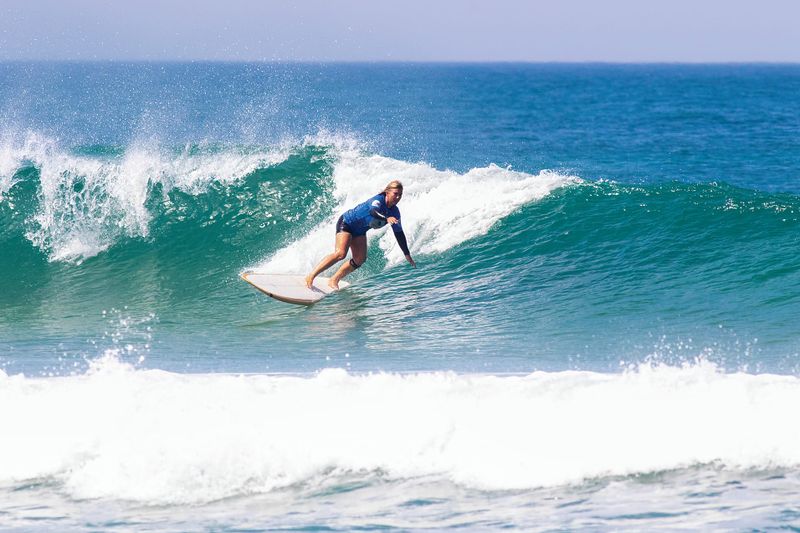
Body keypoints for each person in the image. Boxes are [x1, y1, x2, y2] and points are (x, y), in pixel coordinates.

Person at [306, 180, 416, 290]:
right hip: (347, 223)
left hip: (360, 232)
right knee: (341, 253)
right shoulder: (377, 200)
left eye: (400, 194)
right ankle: (311, 276)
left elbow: (399, 233)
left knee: (359, 259)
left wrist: (406, 253)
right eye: (395, 194)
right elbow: (373, 211)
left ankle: (334, 279)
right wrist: (386, 218)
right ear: (387, 192)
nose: (398, 197)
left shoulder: (395, 212)